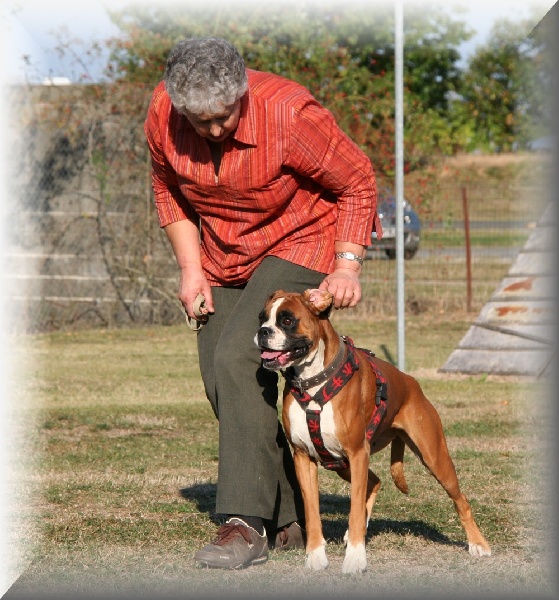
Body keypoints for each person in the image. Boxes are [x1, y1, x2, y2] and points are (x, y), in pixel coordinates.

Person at [144, 36, 381, 569]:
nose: (210, 131)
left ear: (242, 94)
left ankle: (245, 524)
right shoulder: (162, 112)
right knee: (221, 378)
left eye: (222, 118)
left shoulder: (289, 114)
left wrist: (346, 263)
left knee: (237, 356)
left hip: (301, 238)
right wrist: (191, 269)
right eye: (197, 120)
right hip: (223, 252)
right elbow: (168, 190)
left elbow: (358, 180)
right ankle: (292, 512)